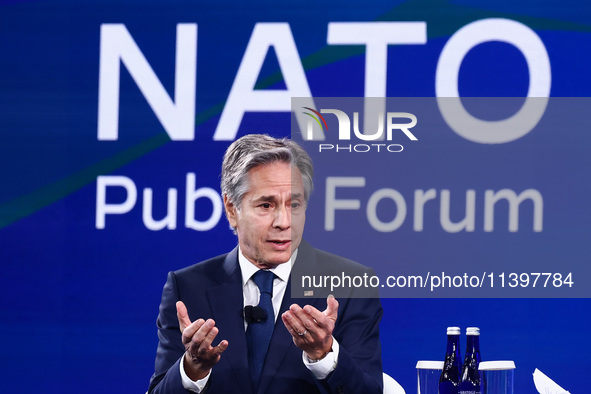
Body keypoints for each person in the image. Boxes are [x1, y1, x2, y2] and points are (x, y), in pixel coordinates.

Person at [148, 134, 383, 393]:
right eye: (266, 205)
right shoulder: (187, 288)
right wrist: (192, 368)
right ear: (231, 208)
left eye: (294, 204)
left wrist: (324, 355)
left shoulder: (349, 285)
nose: (284, 222)